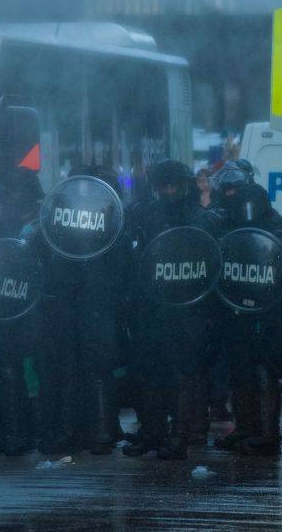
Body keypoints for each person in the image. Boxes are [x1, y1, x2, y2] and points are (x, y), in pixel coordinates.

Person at [123, 160, 226, 461]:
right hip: (150, 306)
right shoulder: (144, 214)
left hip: (187, 308)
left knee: (183, 373)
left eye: (174, 185)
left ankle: (179, 436)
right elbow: (131, 257)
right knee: (148, 371)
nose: (169, 191)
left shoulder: (201, 219)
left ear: (185, 185)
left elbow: (214, 265)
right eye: (163, 186)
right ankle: (152, 433)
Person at [32, 167, 129, 456]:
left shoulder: (59, 213)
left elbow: (39, 246)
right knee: (96, 366)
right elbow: (122, 258)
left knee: (69, 366)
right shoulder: (112, 213)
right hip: (96, 299)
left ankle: (70, 432)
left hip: (69, 298)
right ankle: (101, 432)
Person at [213, 176, 282, 458]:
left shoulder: (273, 225)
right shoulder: (230, 224)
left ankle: (268, 435)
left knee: (263, 369)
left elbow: (281, 267)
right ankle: (245, 428)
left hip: (265, 311)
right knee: (240, 368)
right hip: (235, 308)